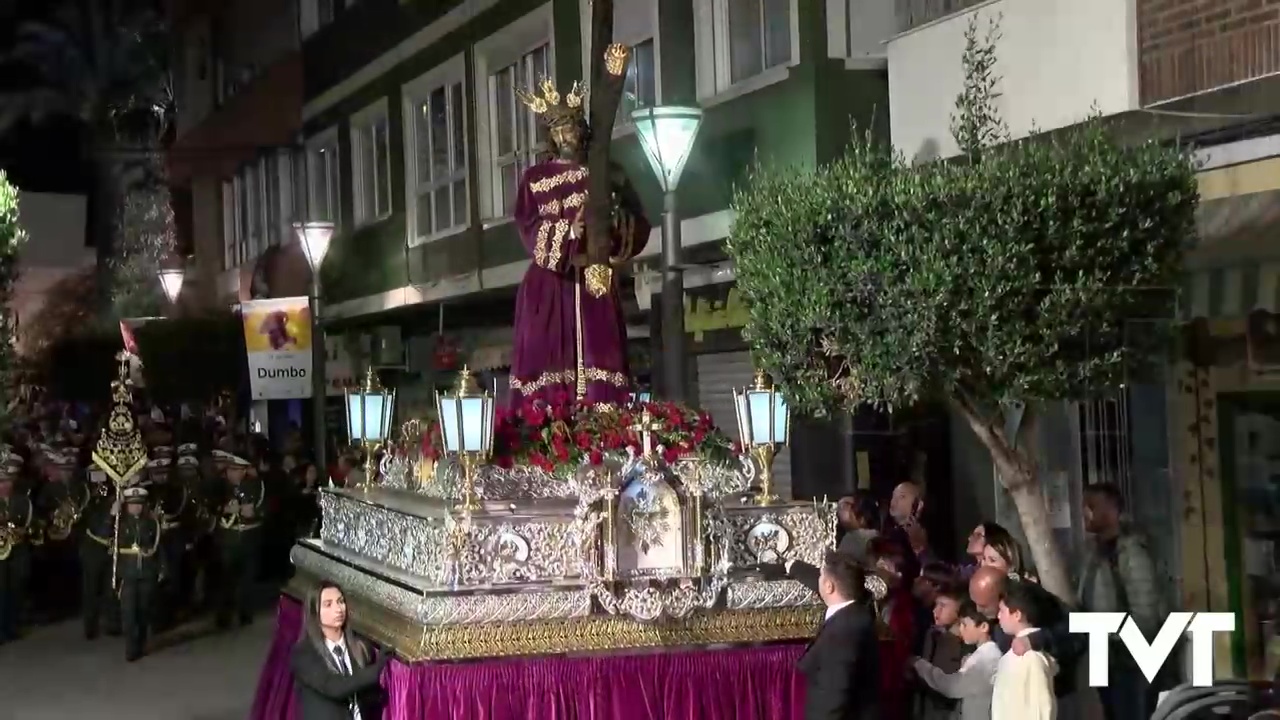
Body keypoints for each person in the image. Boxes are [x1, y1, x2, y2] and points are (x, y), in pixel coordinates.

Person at [508, 76, 651, 406]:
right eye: (557, 130)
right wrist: (570, 231)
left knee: (601, 358)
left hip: (595, 280)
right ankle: (547, 435)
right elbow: (529, 227)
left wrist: (614, 226)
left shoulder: (608, 174)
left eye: (570, 127)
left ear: (582, 129)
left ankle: (606, 430)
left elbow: (636, 222)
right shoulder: (535, 179)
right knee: (548, 367)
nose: (565, 135)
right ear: (551, 137)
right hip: (550, 283)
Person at [1078, 482, 1165, 720]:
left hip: (1127, 663)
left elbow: (1146, 613)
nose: (1085, 511)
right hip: (1105, 657)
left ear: (1112, 510)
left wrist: (1127, 653)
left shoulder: (1132, 553)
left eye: (1092, 505)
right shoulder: (1093, 553)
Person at [793, 551, 879, 720]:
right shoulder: (860, 607)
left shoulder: (842, 633)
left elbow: (833, 699)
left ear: (828, 587)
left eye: (820, 576)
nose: (817, 579)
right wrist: (792, 566)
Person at [291, 581, 391, 720]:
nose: (338, 609)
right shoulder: (304, 654)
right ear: (315, 611)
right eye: (328, 604)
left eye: (340, 601)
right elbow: (335, 687)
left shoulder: (359, 647)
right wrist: (377, 669)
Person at [912, 601, 1001, 720]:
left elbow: (952, 687)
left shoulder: (986, 659)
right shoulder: (982, 655)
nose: (961, 629)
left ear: (984, 627)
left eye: (964, 625)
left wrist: (920, 665)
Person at [992, 581, 1058, 720]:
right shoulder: (1014, 654)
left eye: (1002, 611)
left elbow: (1040, 710)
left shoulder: (1031, 657)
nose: (998, 616)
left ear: (1017, 615)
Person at [214, 452, 264, 629]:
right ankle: (223, 617)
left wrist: (252, 512)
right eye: (230, 470)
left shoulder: (256, 485)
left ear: (244, 471)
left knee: (247, 578)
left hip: (249, 536)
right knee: (226, 579)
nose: (232, 473)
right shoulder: (219, 486)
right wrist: (225, 508)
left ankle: (245, 614)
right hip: (229, 536)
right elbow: (210, 506)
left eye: (236, 470)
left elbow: (263, 506)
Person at [114, 484, 162, 661]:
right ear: (126, 505)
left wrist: (162, 568)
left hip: (146, 571)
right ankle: (131, 647)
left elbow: (158, 546)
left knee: (143, 610)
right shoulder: (119, 522)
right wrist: (112, 515)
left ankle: (141, 642)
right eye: (132, 504)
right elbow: (107, 537)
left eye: (139, 504)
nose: (136, 507)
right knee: (128, 612)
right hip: (127, 572)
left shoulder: (151, 523)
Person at [81, 463, 121, 640]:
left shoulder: (112, 496)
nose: (99, 479)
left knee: (110, 587)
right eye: (95, 475)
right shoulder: (86, 497)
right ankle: (90, 626)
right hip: (93, 547)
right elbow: (95, 524)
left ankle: (112, 623)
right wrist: (110, 514)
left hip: (111, 546)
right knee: (91, 588)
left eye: (101, 475)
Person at [0, 459, 32, 643]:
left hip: (17, 551)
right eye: (1, 481)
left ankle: (12, 626)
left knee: (15, 589)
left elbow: (29, 523)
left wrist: (23, 531)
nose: (4, 485)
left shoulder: (22, 501)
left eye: (7, 481)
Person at [835, 492, 880, 564]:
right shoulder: (849, 536)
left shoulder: (857, 537)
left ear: (862, 518)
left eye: (846, 505)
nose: (840, 510)